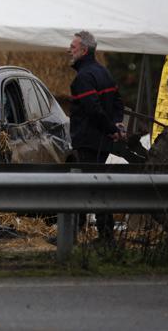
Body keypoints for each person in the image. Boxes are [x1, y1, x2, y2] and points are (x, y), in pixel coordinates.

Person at [68, 30, 125, 243]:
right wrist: (117, 125)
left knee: (92, 186)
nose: (69, 50)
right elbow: (118, 102)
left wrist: (112, 128)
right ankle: (94, 232)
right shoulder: (104, 72)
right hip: (102, 141)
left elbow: (93, 110)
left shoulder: (83, 77)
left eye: (72, 47)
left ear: (84, 51)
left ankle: (102, 235)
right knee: (94, 185)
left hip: (88, 140)